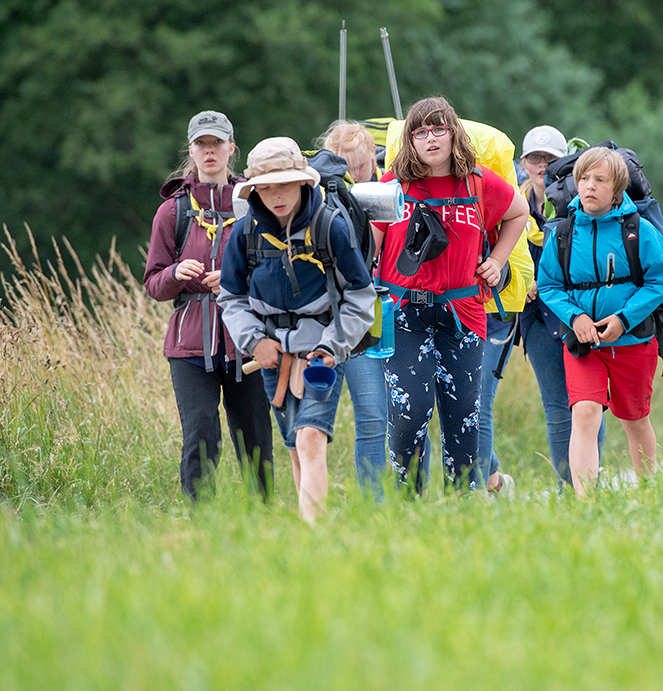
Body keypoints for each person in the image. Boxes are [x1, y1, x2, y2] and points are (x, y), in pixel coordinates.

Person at [375, 97, 529, 493]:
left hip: (463, 312)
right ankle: (409, 503)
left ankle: (462, 504)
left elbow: (519, 211)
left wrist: (496, 259)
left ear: (453, 133)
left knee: (463, 416)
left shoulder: (479, 183)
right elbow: (366, 243)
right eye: (420, 131)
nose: (430, 138)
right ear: (410, 139)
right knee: (409, 413)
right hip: (403, 311)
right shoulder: (392, 187)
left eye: (438, 129)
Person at [219, 137, 376, 523]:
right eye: (267, 187)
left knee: (310, 438)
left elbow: (360, 297)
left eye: (285, 185)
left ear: (304, 183)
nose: (276, 195)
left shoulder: (330, 227)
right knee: (294, 445)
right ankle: (310, 527)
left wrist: (332, 347)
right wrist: (255, 342)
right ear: (254, 190)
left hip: (322, 353)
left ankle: (313, 533)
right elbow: (231, 298)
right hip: (272, 358)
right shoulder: (244, 233)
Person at [144, 111, 273, 501]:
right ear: (191, 150)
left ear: (232, 148)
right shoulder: (173, 210)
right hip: (189, 345)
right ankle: (201, 517)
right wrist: (177, 274)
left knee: (255, 432)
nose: (209, 151)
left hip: (247, 338)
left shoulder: (256, 204)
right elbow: (153, 283)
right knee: (200, 431)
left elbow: (277, 272)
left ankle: (264, 514)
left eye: (217, 143)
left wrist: (238, 282)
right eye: (202, 144)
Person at [537, 146, 663, 496]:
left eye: (600, 180)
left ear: (616, 189)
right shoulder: (563, 233)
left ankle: (648, 491)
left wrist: (624, 319)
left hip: (633, 343)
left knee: (635, 420)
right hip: (586, 345)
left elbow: (661, 280)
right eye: (583, 178)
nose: (590, 186)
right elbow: (549, 285)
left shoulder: (639, 230)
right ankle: (587, 503)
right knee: (584, 413)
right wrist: (575, 316)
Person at [516, 125, 604, 489]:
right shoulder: (513, 201)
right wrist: (520, 283)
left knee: (588, 405)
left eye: (549, 158)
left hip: (577, 315)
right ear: (523, 163)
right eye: (534, 158)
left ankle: (590, 487)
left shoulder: (574, 200)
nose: (541, 165)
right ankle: (569, 489)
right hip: (536, 319)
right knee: (556, 408)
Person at [308, 120, 389, 495]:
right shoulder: (315, 195)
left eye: (358, 165)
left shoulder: (387, 191)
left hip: (370, 320)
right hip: (327, 318)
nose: (351, 174)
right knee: (311, 422)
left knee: (375, 416)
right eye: (344, 164)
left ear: (372, 158)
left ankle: (378, 504)